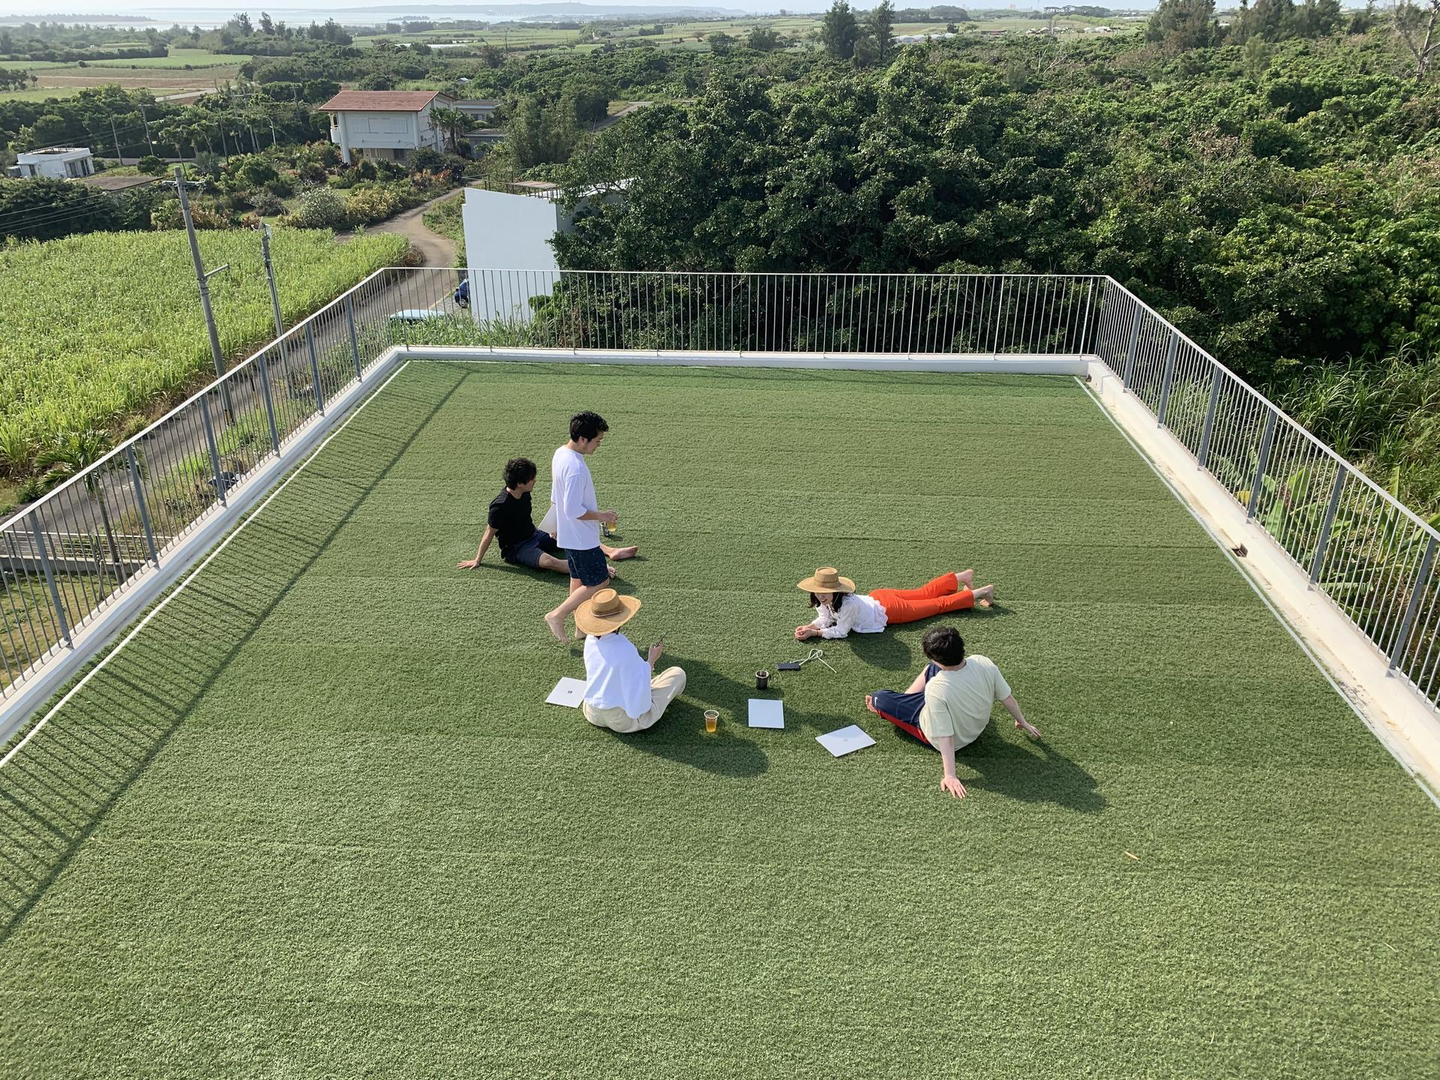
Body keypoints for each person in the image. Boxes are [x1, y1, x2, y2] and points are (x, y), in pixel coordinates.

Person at [865, 627, 1040, 799]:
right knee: (931, 669)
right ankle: (906, 700)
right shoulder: (983, 662)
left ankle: (896, 704)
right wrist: (1022, 721)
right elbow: (1006, 697)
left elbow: (945, 735)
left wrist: (950, 775)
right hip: (974, 727)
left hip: (941, 736)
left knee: (878, 698)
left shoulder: (936, 688)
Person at [457, 457, 637, 574]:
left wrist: (554, 528)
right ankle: (594, 568)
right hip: (517, 548)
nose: (535, 481)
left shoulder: (524, 493)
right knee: (549, 561)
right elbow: (489, 532)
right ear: (519, 483)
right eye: (531, 479)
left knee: (570, 531)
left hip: (535, 534)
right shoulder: (500, 506)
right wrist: (477, 560)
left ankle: (610, 551)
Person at [545, 412, 630, 642]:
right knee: (600, 581)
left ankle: (580, 629)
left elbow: (556, 496)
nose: (598, 445)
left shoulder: (560, 454)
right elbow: (573, 510)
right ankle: (557, 615)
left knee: (578, 580)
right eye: (597, 440)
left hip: (570, 536)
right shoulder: (576, 468)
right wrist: (602, 516)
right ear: (583, 439)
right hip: (582, 538)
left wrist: (554, 524)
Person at [576, 587, 687, 734]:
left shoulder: (590, 640)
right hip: (622, 721)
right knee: (677, 674)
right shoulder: (624, 647)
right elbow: (639, 690)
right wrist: (651, 659)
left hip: (592, 713)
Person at [794, 567, 994, 641]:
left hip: (891, 610)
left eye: (825, 593)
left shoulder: (848, 605)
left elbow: (841, 631)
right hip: (879, 596)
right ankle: (963, 576)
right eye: (818, 592)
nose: (821, 596)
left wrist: (814, 633)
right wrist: (810, 626)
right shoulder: (826, 601)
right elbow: (825, 618)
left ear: (836, 591)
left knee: (937, 605)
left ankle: (982, 592)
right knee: (923, 593)